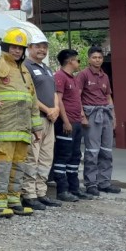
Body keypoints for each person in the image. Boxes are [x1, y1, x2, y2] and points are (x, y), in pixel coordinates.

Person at [0, 28, 42, 218]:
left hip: (23, 128)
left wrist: (37, 127)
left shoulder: (24, 70)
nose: (17, 51)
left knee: (18, 165)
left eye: (20, 48)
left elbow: (32, 99)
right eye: (14, 47)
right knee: (1, 165)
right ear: (6, 46)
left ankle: (13, 200)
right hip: (3, 126)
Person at [20, 30, 62, 210]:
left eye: (44, 47)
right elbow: (29, 94)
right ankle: (29, 194)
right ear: (29, 48)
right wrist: (48, 110)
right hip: (35, 119)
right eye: (38, 46)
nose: (42, 50)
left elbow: (53, 92)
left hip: (50, 119)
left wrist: (56, 109)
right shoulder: (26, 66)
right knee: (32, 157)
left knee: (46, 157)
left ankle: (41, 192)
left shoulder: (47, 68)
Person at [51, 49, 93, 203]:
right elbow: (59, 101)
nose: (78, 63)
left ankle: (74, 188)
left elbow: (77, 99)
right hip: (66, 123)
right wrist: (66, 121)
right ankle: (62, 190)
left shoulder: (73, 78)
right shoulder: (60, 77)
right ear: (70, 61)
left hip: (76, 123)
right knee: (63, 155)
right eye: (77, 60)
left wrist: (81, 116)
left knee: (75, 156)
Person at [78, 45, 121, 196]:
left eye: (100, 57)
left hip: (106, 115)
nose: (97, 60)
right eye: (94, 57)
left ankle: (105, 182)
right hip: (91, 115)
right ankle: (91, 184)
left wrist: (113, 116)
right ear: (89, 59)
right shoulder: (83, 75)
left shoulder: (105, 76)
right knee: (92, 151)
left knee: (107, 151)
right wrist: (82, 116)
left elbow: (109, 97)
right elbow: (77, 96)